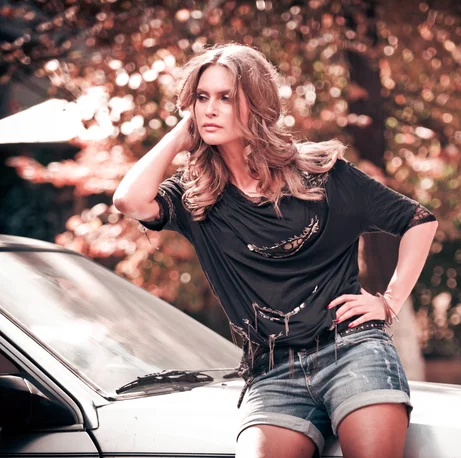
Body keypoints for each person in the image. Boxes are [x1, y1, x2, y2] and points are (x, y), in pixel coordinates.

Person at [113, 42, 438, 458]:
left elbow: (417, 221)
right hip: (272, 371)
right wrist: (180, 134)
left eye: (226, 98)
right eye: (202, 97)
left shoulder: (321, 174)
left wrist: (389, 301)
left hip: (351, 349)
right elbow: (129, 201)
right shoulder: (195, 197)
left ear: (257, 104)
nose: (210, 109)